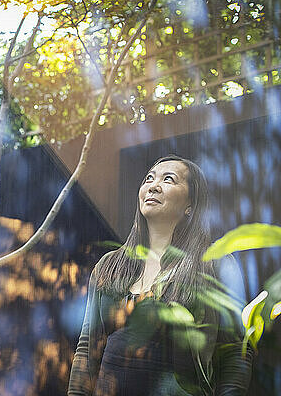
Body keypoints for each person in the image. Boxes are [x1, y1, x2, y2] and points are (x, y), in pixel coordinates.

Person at [68, 155, 252, 396]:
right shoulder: (109, 266)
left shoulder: (217, 265)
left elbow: (235, 353)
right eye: (149, 179)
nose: (153, 185)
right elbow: (87, 351)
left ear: (190, 205)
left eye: (169, 179)